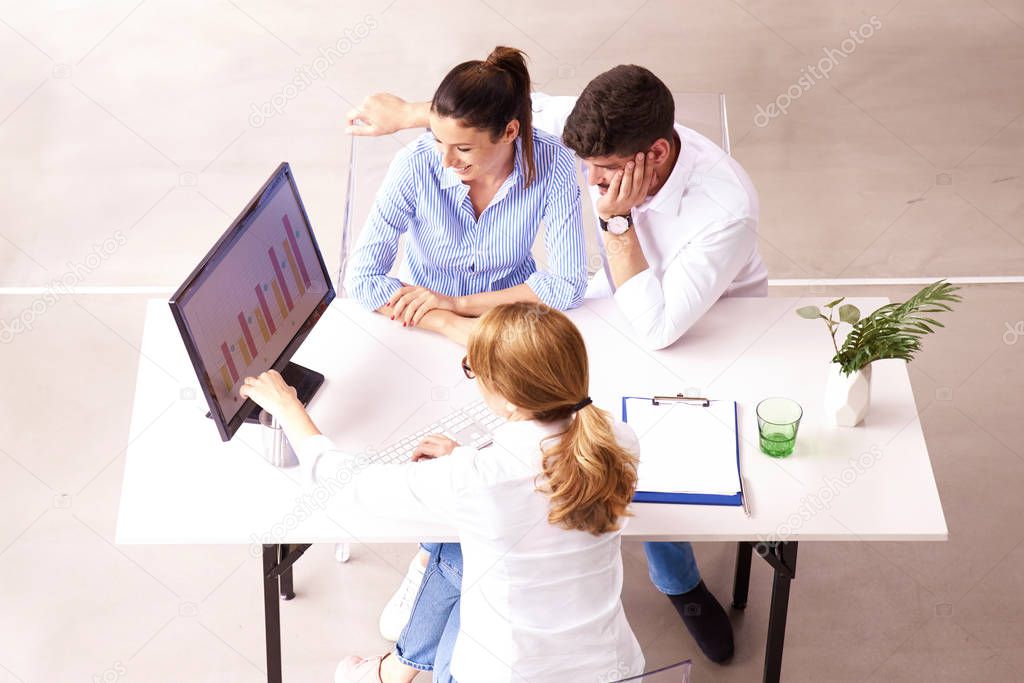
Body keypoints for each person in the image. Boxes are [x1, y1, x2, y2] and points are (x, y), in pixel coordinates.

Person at [345, 64, 766, 663]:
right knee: (485, 449)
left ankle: (678, 580)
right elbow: (513, 107)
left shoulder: (724, 211)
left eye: (606, 174)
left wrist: (613, 223)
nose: (589, 182)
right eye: (586, 169)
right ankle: (436, 550)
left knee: (633, 441)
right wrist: (413, 114)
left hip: (696, 327)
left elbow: (652, 323)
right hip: (566, 311)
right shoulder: (562, 141)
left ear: (658, 154)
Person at [239, 303, 645, 683]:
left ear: (507, 399)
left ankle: (397, 663)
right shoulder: (616, 439)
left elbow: (344, 487)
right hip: (614, 669)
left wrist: (289, 407)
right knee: (462, 545)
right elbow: (528, 489)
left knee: (450, 547)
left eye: (473, 369)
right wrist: (462, 458)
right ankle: (400, 658)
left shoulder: (478, 480)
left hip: (507, 674)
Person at [344, 46, 587, 346]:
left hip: (509, 323)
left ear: (510, 132)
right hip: (422, 321)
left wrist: (458, 304)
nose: (446, 161)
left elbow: (568, 285)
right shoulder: (415, 164)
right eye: (438, 140)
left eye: (463, 148)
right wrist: (450, 323)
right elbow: (362, 279)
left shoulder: (553, 162)